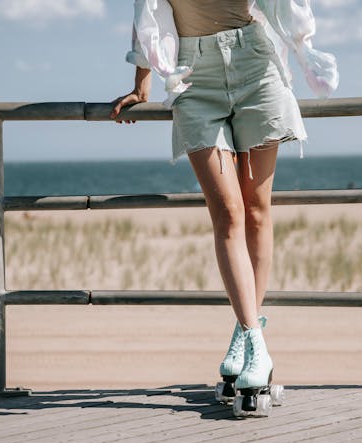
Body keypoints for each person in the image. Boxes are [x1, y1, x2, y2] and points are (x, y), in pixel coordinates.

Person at [110, 0, 338, 416]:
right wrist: (141, 85)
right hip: (194, 76)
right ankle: (256, 341)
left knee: (255, 211)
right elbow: (148, 13)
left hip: (257, 65)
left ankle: (245, 338)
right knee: (229, 214)